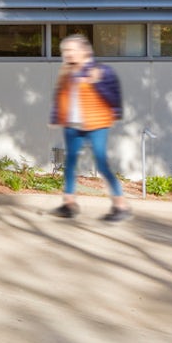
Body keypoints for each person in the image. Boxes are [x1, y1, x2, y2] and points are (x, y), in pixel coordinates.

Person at [50, 34, 130, 222]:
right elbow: (60, 96)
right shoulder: (67, 72)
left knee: (101, 163)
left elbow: (114, 96)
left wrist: (97, 83)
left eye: (71, 50)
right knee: (70, 163)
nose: (67, 54)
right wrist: (55, 117)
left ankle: (121, 206)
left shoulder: (100, 71)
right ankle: (69, 204)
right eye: (65, 51)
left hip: (96, 124)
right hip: (72, 125)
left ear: (84, 51)